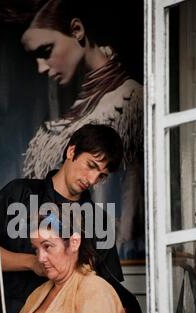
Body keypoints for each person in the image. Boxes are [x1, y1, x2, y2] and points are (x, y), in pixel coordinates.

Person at [0, 124, 141, 313]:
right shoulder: (19, 195)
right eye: (91, 166)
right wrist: (31, 262)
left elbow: (105, 288)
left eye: (101, 175)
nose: (92, 179)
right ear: (71, 151)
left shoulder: (99, 222)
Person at [19, 0, 144, 259]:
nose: (42, 67)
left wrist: (119, 243)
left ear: (77, 30)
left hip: (102, 257)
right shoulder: (68, 111)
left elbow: (134, 188)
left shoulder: (127, 100)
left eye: (46, 50)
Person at [0, 210, 127, 313]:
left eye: (47, 246)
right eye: (36, 249)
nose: (40, 258)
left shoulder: (95, 288)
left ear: (74, 243)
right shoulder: (37, 295)